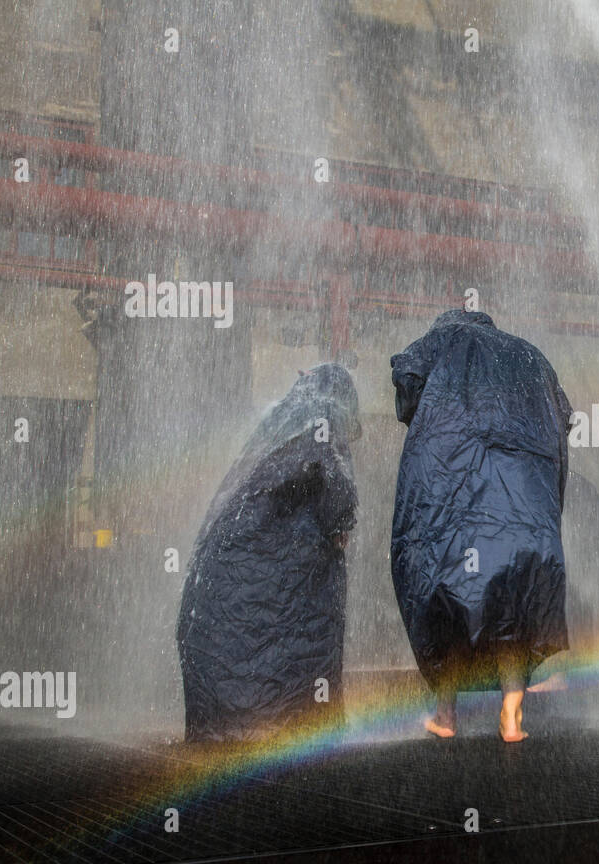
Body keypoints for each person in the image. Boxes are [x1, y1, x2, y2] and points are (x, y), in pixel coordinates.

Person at [391, 309, 573, 742]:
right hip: (527, 515)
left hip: (457, 506)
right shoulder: (531, 355)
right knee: (515, 606)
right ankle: (512, 716)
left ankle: (446, 714)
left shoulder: (444, 339)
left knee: (448, 600)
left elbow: (407, 379)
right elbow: (564, 415)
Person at [176, 363, 360, 743]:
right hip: (278, 561)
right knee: (294, 635)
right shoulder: (326, 413)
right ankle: (291, 731)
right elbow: (334, 477)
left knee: (250, 640)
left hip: (224, 561)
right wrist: (340, 524)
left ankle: (231, 729)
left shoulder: (278, 418)